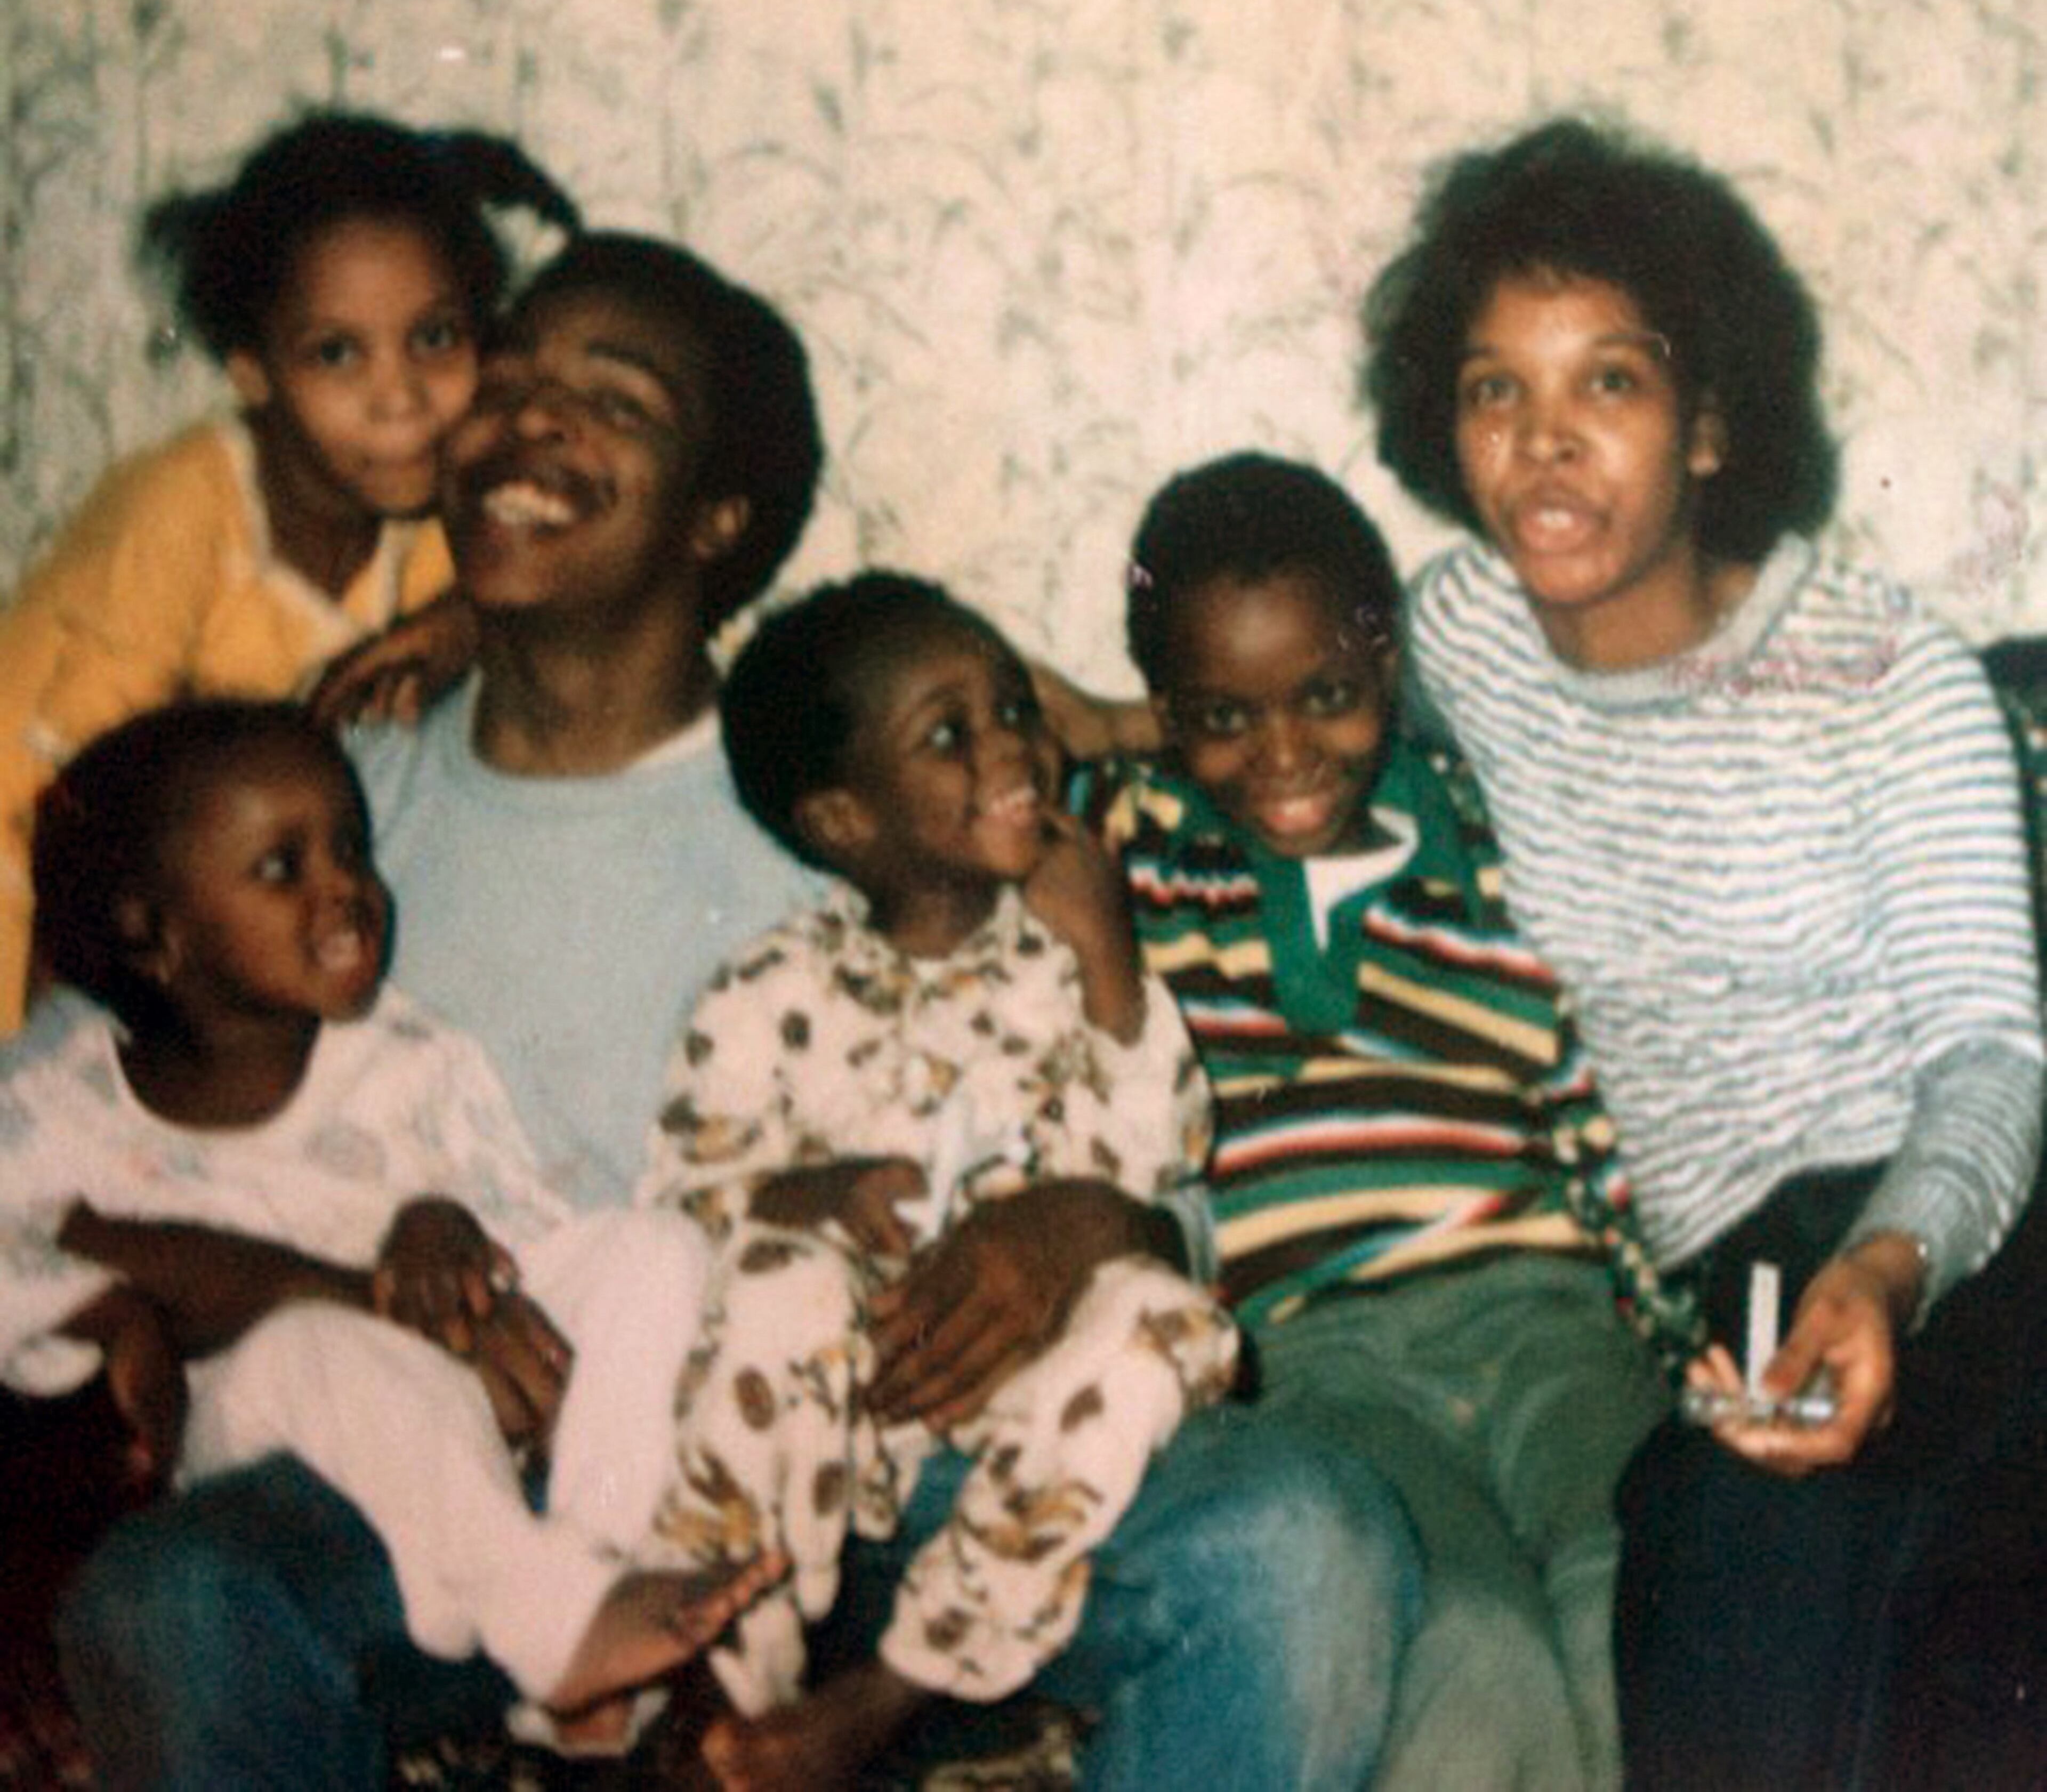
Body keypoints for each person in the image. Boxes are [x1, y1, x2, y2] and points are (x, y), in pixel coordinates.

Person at [59, 231, 1415, 1791]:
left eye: (613, 399)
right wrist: (168, 1296)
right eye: (503, 383)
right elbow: (78, 1118)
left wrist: (1089, 1227)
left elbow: (1156, 1146)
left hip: (878, 1471)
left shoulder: (870, 778)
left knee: (1306, 1540)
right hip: (472, 1497)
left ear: (719, 519)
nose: (531, 420)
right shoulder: (322, 815)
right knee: (174, 1598)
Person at [1361, 116, 2045, 1788]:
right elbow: (1254, 722)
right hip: (1737, 1263)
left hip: (1961, 1223)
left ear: (1713, 422)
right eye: (1493, 388)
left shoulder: (1887, 675)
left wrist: (1890, 1264)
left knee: (1910, 1600)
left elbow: (1994, 1058)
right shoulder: (1453, 633)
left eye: (1610, 383)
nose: (1544, 445)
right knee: (1726, 1547)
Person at [1070, 450, 1688, 1791]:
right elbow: (989, 762)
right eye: (1222, 716)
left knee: (1633, 1592)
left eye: (1330, 698)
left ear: (1391, 671)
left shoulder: (1496, 840)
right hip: (1321, 1360)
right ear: (1164, 712)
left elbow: (1593, 1115)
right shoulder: (1137, 850)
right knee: (1471, 1646)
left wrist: (1678, 1338)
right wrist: (1127, 735)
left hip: (1549, 1321)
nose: (1284, 755)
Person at [2, 699, 780, 1754]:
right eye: (284, 867)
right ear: (153, 934)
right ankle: (548, 1615)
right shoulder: (61, 1099)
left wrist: (448, 1227)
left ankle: (592, 1599)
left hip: (468, 1420)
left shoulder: (413, 1055)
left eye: (352, 848)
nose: (348, 888)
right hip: (270, 1441)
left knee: (651, 1251)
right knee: (325, 1344)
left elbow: (525, 1231)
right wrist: (111, 1301)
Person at [640, 571, 1240, 1789]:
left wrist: (1111, 959)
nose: (1014, 745)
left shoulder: (1070, 957)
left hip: (1024, 1396)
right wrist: (815, 1197)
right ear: (845, 821)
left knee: (1170, 1319)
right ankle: (712, 1679)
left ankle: (897, 1684)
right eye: (951, 734)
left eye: (1013, 707)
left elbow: (1156, 1167)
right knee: (771, 1283)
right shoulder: (769, 988)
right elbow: (686, 1202)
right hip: (841, 1385)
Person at [0, 110, 578, 1032]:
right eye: (337, 354)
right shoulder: (183, 507)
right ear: (254, 372)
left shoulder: (432, 516)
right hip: (34, 881)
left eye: (434, 338)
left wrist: (457, 626)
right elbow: (76, 814)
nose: (400, 399)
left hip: (186, 922)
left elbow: (550, 598)